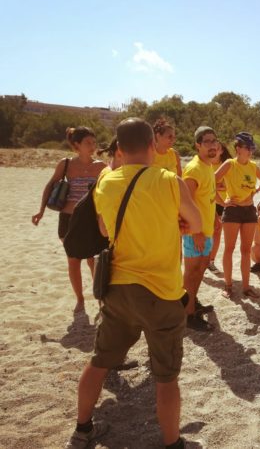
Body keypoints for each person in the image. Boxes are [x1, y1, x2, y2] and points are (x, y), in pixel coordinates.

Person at [65, 118, 202, 449]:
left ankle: (82, 430)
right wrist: (176, 222)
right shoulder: (169, 180)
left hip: (119, 290)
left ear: (120, 150)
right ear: (153, 146)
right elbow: (196, 222)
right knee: (166, 378)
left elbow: (102, 229)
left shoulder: (106, 182)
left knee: (99, 362)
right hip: (162, 293)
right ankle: (172, 443)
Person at [32, 126, 106, 312]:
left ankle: (99, 297)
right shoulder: (65, 164)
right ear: (76, 146)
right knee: (73, 261)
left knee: (92, 260)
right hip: (68, 219)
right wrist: (41, 211)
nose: (92, 146)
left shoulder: (101, 167)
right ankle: (80, 299)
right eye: (87, 143)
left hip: (90, 221)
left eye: (93, 142)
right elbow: (50, 186)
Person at [214, 132, 260, 299]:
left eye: (252, 148)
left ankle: (246, 287)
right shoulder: (230, 164)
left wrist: (255, 192)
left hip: (249, 211)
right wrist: (223, 203)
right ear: (238, 149)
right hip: (232, 211)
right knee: (229, 249)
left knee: (246, 250)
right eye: (248, 148)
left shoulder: (253, 166)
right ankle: (228, 285)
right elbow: (210, 181)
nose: (251, 151)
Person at [182, 126, 220, 331]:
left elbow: (206, 198)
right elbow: (185, 203)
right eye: (207, 141)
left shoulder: (208, 166)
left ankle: (191, 303)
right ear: (198, 145)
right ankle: (187, 315)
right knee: (191, 273)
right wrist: (195, 232)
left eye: (214, 141)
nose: (212, 145)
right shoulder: (194, 169)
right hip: (194, 233)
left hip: (206, 231)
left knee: (201, 269)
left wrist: (214, 217)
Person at [208, 141, 232, 273]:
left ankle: (211, 261)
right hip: (209, 202)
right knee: (206, 231)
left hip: (223, 202)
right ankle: (204, 259)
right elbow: (205, 185)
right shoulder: (206, 164)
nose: (214, 150)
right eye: (213, 147)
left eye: (217, 148)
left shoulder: (227, 165)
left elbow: (230, 185)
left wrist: (218, 185)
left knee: (217, 232)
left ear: (222, 151)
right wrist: (218, 185)